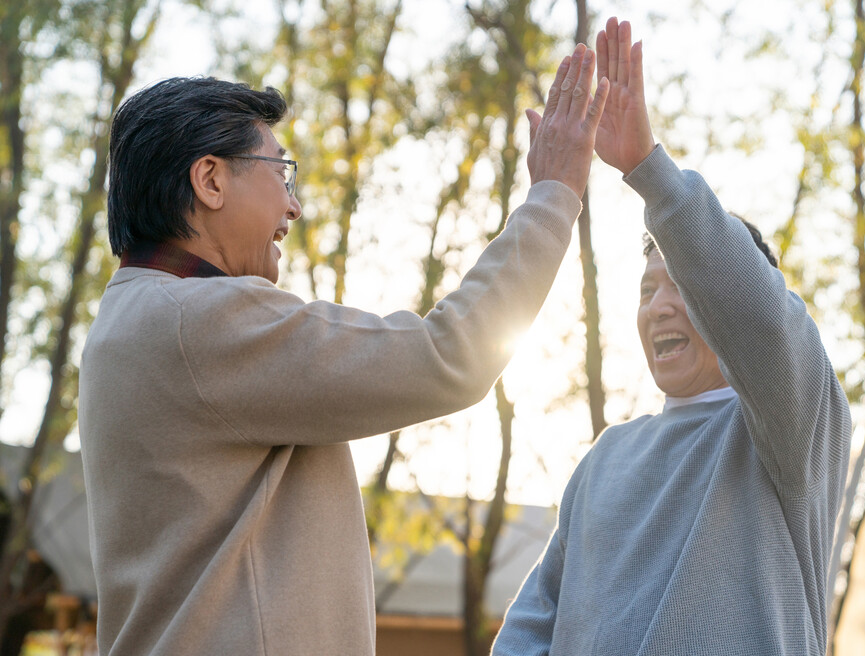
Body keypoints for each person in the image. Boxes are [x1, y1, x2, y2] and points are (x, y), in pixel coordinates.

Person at [78, 45, 609, 655]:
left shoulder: (126, 321)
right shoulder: (200, 319)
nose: (294, 206)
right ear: (211, 180)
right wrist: (554, 197)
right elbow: (450, 355)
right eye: (281, 172)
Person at [492, 18, 851, 656]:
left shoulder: (791, 431)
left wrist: (648, 170)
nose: (659, 308)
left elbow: (764, 324)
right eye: (645, 290)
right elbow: (533, 625)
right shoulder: (605, 460)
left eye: (681, 286)